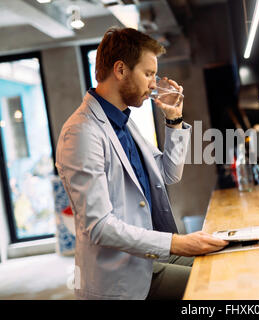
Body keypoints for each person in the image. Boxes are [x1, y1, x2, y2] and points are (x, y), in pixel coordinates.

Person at [55, 27, 228, 300]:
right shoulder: (81, 132)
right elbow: (99, 226)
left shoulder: (124, 122)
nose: (153, 84)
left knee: (225, 266)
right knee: (217, 289)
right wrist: (177, 243)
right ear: (121, 70)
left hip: (148, 259)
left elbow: (168, 174)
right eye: (148, 74)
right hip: (122, 279)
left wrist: (173, 120)